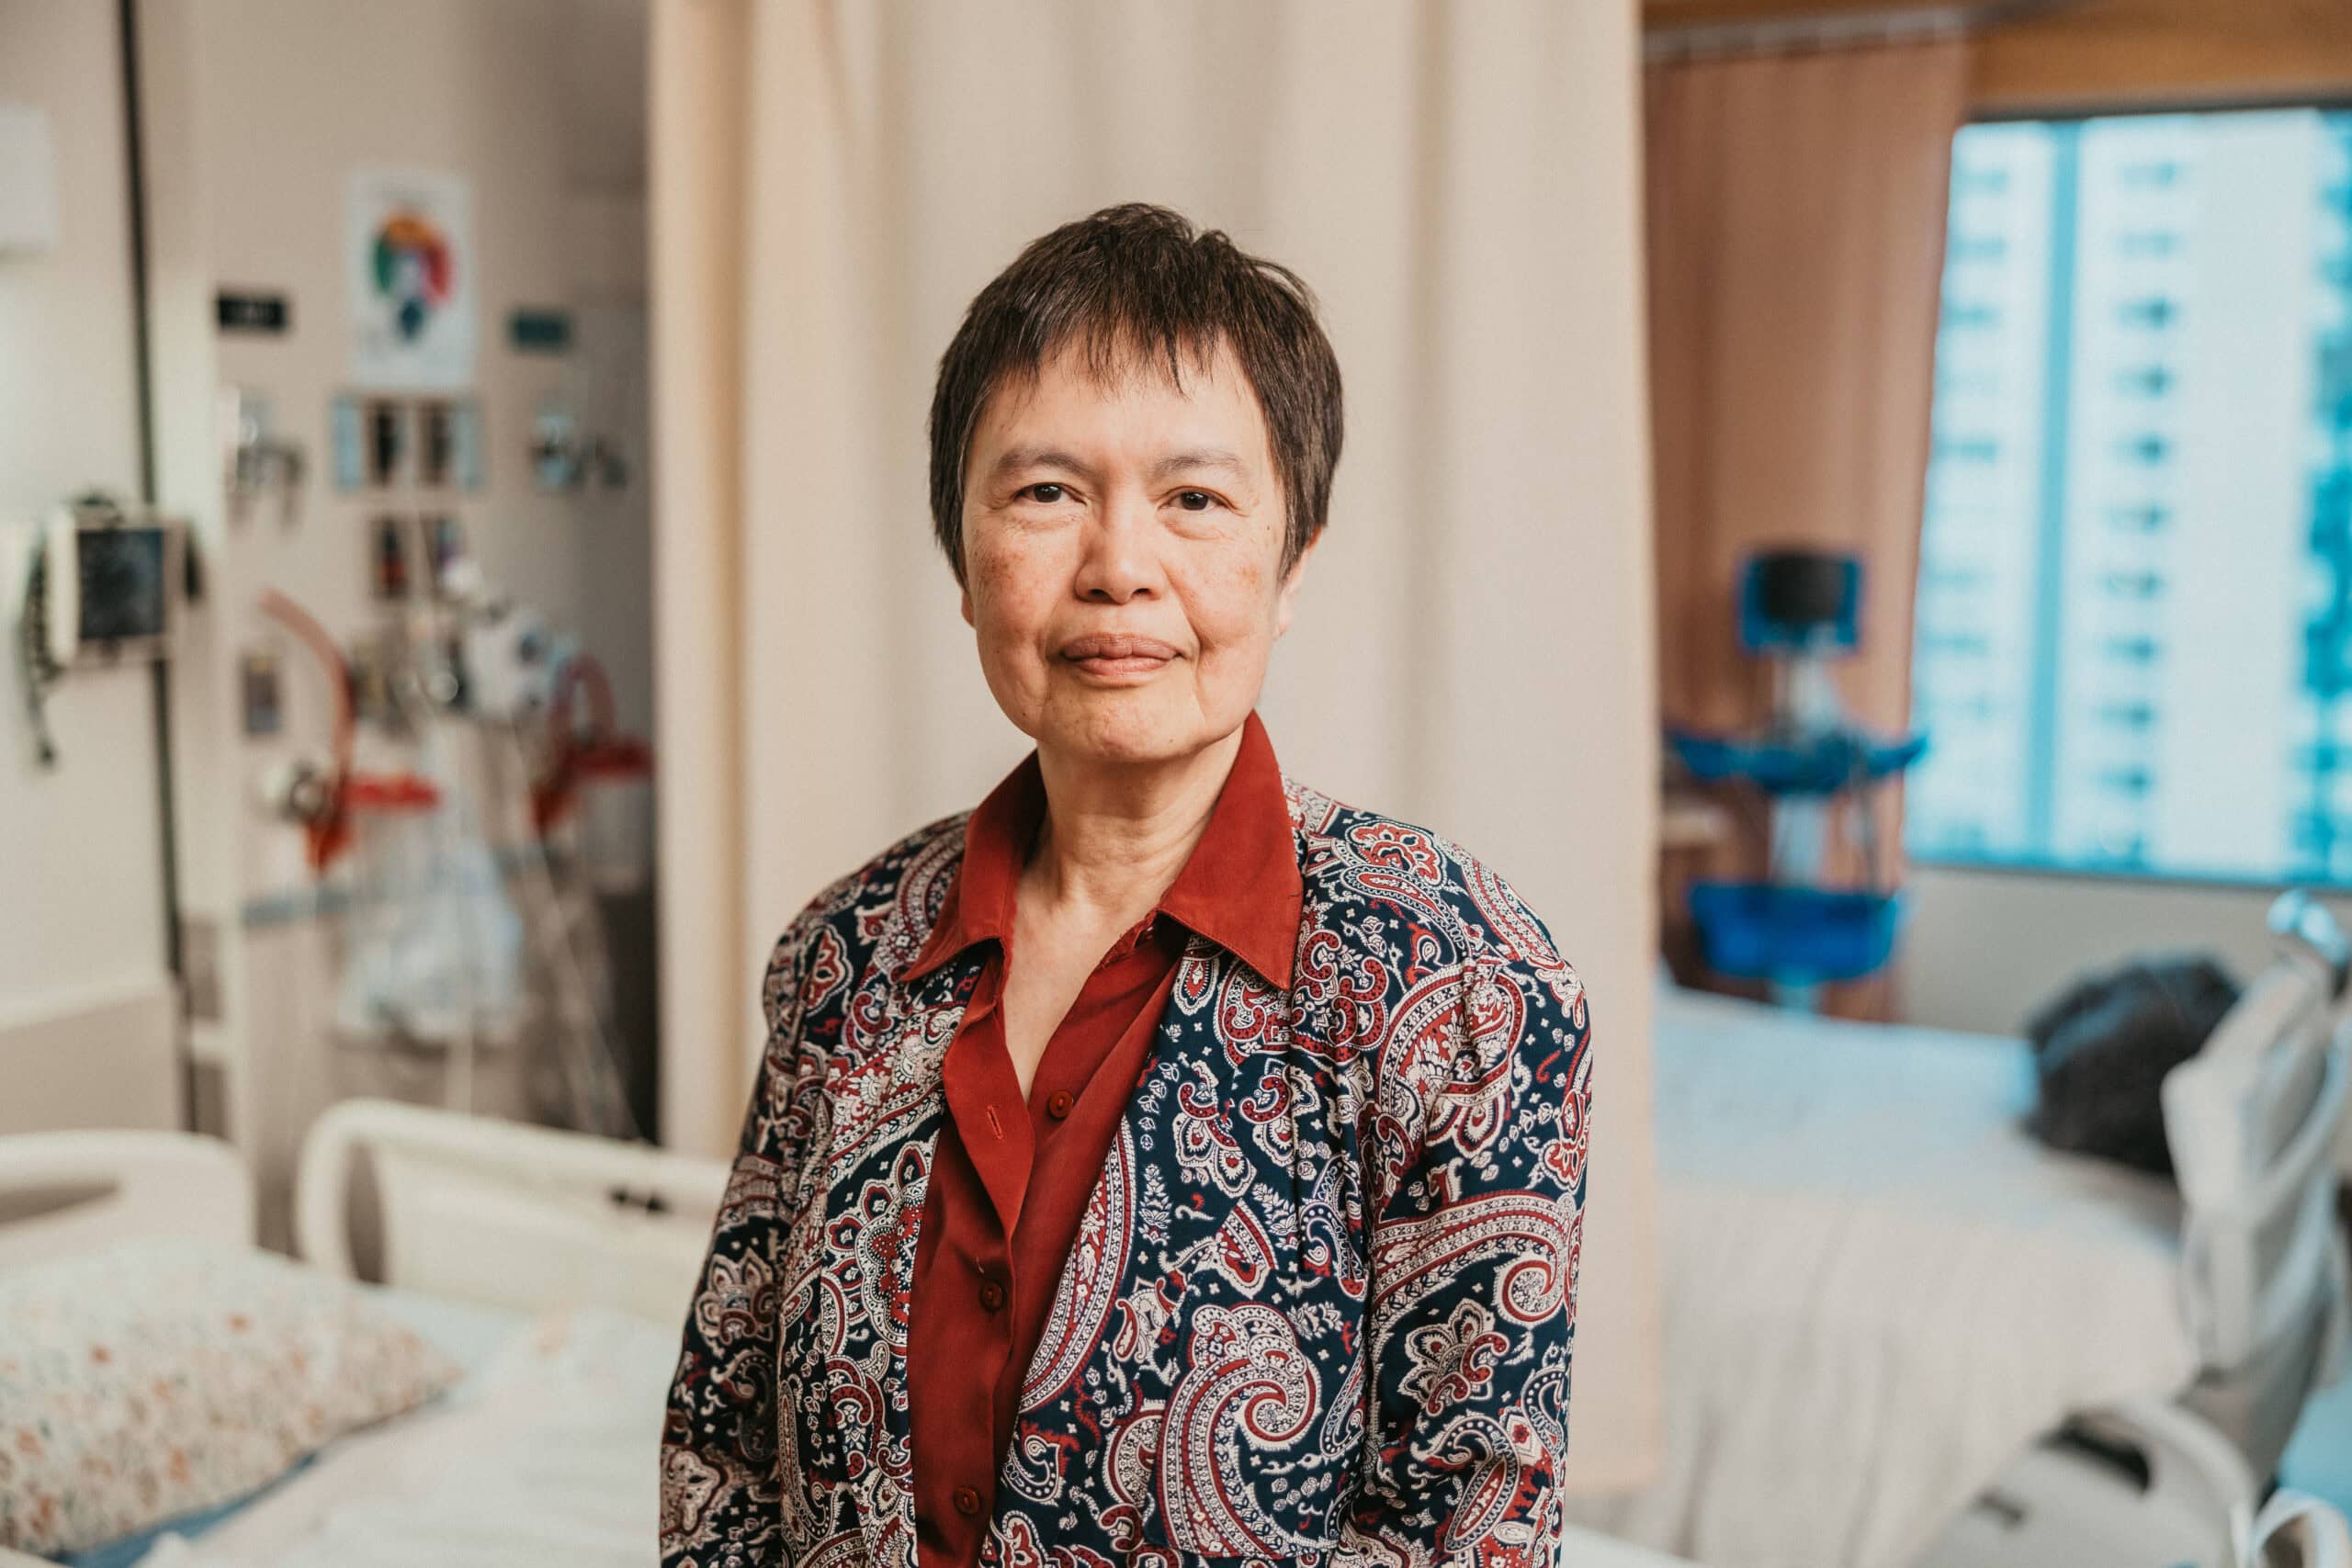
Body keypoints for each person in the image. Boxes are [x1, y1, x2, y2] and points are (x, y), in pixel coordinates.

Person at [661, 202, 1593, 1568]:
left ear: (1290, 570)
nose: (1117, 568)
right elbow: (725, 1444)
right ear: (964, 565)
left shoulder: (1461, 984)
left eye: (1197, 500)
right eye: (1045, 493)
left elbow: (1469, 1537)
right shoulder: (845, 956)